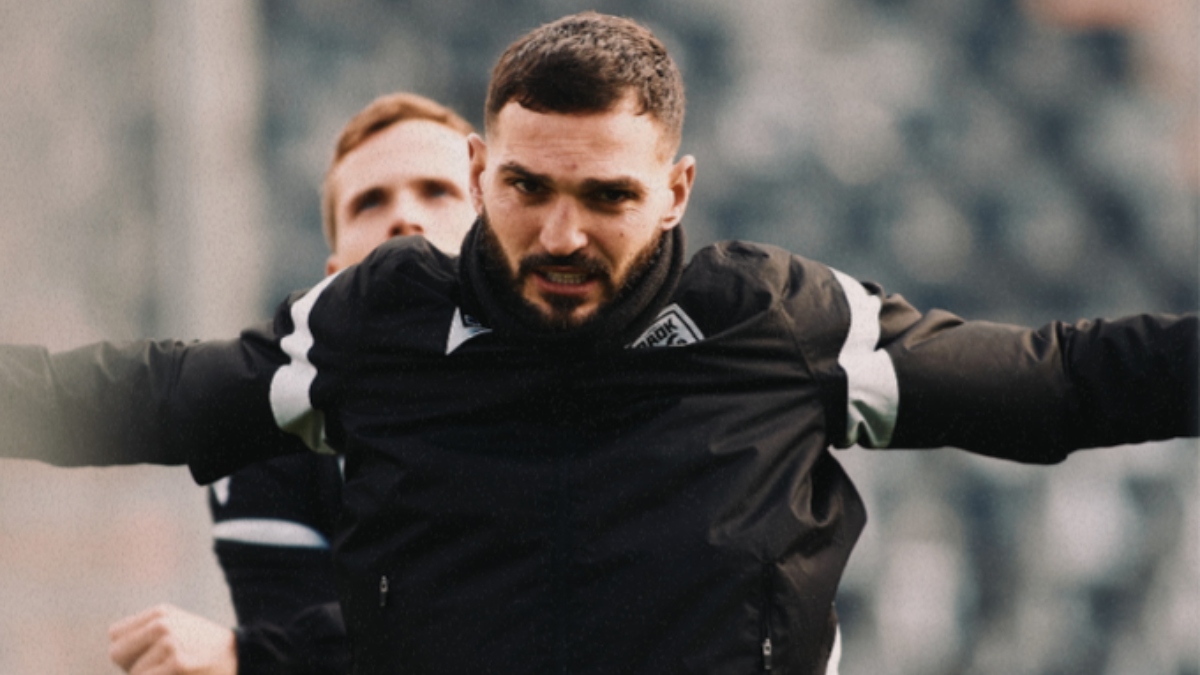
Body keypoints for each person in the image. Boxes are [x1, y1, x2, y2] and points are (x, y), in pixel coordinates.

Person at [0, 12, 1195, 674]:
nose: (561, 234)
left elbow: (1058, 384)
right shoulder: (378, 325)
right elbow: (149, 394)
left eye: (608, 198)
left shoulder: (774, 322)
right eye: (527, 188)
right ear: (483, 169)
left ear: (676, 191)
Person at [105, 92, 477, 675]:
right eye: (370, 201)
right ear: (334, 275)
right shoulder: (271, 432)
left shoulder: (577, 385)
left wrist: (248, 655)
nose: (405, 217)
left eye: (438, 190)